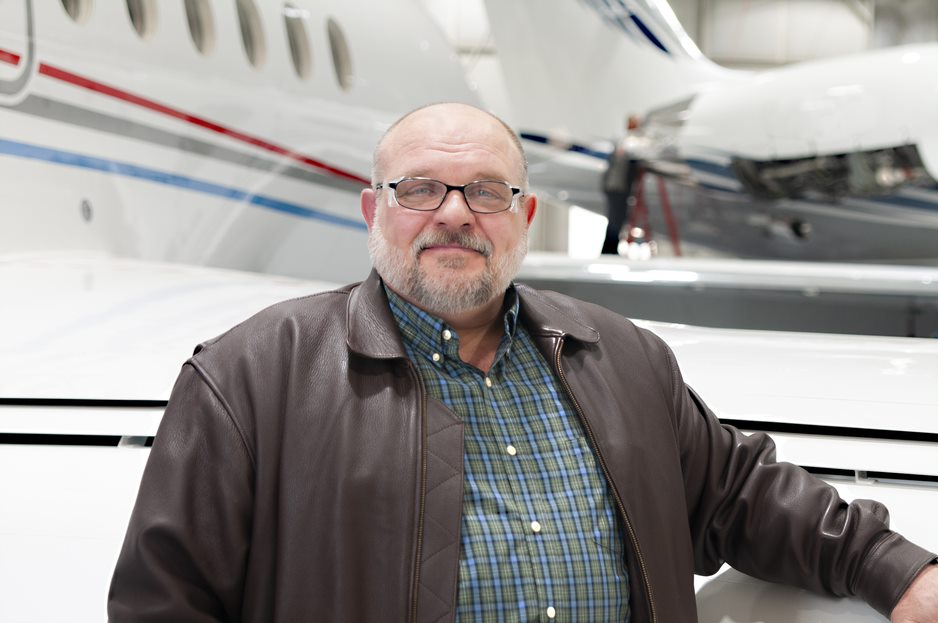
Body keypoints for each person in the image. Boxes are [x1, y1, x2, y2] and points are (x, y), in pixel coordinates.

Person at [108, 102, 937, 622]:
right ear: (372, 210)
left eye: (486, 191)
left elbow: (743, 492)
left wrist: (896, 570)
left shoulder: (623, 360)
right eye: (419, 189)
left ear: (525, 214)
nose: (455, 214)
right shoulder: (251, 378)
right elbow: (162, 601)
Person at [601, 115, 643, 255]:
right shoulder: (628, 141)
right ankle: (609, 250)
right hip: (617, 188)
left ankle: (610, 249)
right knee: (616, 219)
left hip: (615, 187)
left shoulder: (624, 140)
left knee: (616, 219)